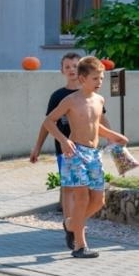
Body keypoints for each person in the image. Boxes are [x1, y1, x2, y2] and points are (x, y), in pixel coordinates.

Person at [40, 56, 127, 258]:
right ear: (82, 79)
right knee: (81, 198)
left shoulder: (99, 100)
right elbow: (48, 121)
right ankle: (80, 245)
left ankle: (71, 223)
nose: (100, 83)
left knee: (98, 200)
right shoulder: (70, 100)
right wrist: (63, 140)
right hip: (75, 153)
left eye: (102, 78)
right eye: (95, 78)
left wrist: (114, 136)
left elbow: (96, 126)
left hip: (93, 154)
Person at [29, 51, 82, 172]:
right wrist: (37, 147)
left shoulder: (89, 94)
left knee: (86, 188)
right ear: (62, 71)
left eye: (75, 66)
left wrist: (112, 140)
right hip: (64, 150)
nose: (71, 69)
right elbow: (47, 123)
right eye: (67, 67)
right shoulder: (57, 96)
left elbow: (101, 119)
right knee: (67, 188)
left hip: (87, 149)